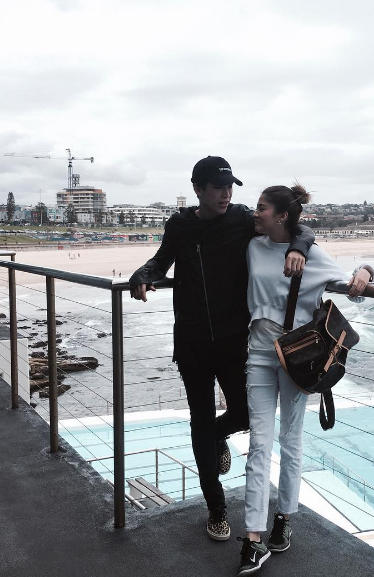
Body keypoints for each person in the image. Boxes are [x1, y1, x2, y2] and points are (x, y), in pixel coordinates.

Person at [129, 157, 314, 542]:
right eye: (218, 187)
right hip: (192, 343)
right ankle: (216, 508)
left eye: (230, 187)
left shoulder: (242, 219)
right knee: (199, 420)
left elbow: (297, 226)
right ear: (199, 189)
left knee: (244, 414)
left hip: (234, 342)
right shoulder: (180, 225)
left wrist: (297, 246)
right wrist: (144, 274)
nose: (226, 194)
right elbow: (162, 260)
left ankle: (217, 435)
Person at [237, 183, 374, 576]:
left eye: (262, 207)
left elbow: (356, 289)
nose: (255, 213)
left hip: (297, 358)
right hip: (259, 352)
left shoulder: (312, 255)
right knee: (259, 443)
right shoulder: (254, 246)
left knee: (290, 439)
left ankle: (284, 517)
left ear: (282, 215)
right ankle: (252, 538)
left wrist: (365, 271)